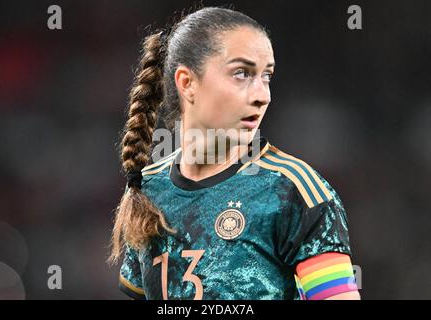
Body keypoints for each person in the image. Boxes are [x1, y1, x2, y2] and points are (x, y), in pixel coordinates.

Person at [109, 6, 360, 300]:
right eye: (242, 73)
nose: (263, 95)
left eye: (267, 76)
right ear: (187, 83)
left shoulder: (294, 191)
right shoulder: (147, 188)